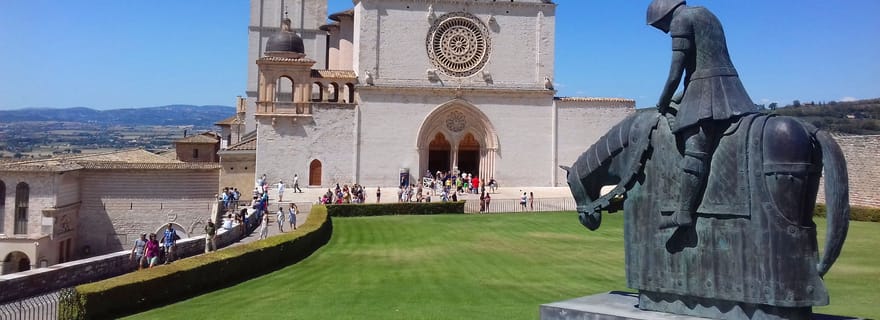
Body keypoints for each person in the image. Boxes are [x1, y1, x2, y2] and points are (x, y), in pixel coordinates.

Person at [647, 0, 758, 228]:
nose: (666, 30)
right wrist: (678, 98)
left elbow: (675, 74)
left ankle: (683, 212)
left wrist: (663, 102)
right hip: (730, 88)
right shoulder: (707, 14)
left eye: (662, 26)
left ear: (664, 14)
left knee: (695, 149)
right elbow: (703, 65)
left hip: (707, 92)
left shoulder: (681, 20)